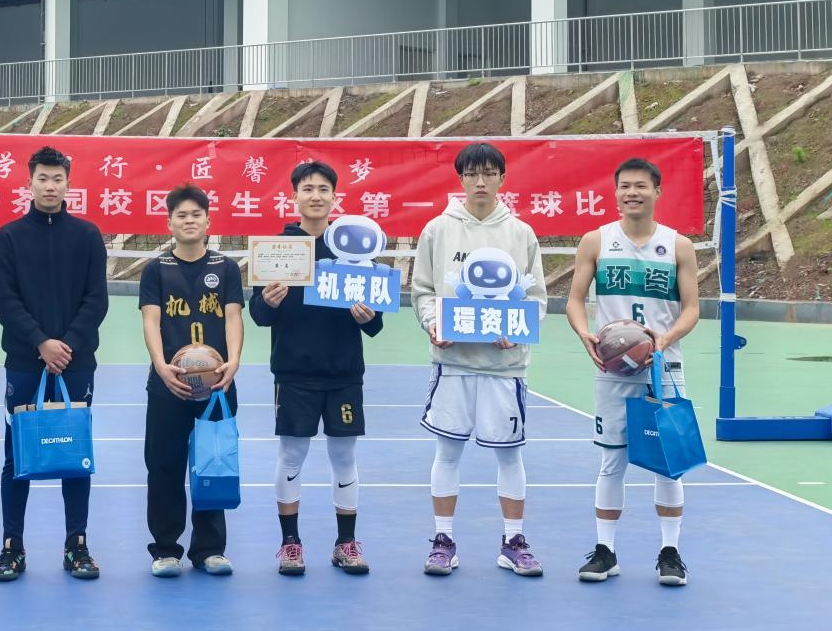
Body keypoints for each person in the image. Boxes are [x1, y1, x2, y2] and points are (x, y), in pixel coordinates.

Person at [410, 142, 548, 578]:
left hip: (505, 368)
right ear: (461, 178)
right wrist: (434, 323)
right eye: (472, 174)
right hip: (453, 362)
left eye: (489, 173)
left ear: (503, 178)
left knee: (509, 455)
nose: (481, 182)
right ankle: (443, 540)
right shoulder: (438, 229)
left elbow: (536, 298)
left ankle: (513, 541)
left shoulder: (521, 233)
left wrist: (517, 329)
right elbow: (424, 290)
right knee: (448, 451)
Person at [566, 157, 700, 586]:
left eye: (641, 186)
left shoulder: (678, 245)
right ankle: (605, 551)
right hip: (614, 371)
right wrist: (584, 333)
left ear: (657, 191)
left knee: (668, 464)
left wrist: (663, 340)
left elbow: (692, 309)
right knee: (612, 460)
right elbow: (574, 299)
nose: (632, 193)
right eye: (624, 186)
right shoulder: (596, 241)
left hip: (664, 367)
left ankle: (670, 553)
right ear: (616, 192)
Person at [250, 160, 382, 577]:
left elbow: (376, 321)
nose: (316, 196)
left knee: (344, 456)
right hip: (294, 373)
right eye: (307, 188)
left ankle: (346, 543)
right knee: (292, 455)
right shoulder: (277, 248)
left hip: (344, 372)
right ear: (294, 197)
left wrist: (367, 317)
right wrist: (266, 302)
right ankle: (290, 544)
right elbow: (258, 315)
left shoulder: (354, 248)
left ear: (334, 197)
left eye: (324, 189)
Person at [0, 146, 109, 581]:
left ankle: (77, 546)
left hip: (76, 365)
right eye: (42, 178)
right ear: (30, 182)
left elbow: (96, 299)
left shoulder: (88, 235)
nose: (50, 186)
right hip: (25, 362)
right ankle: (12, 548)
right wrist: (41, 343)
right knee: (16, 455)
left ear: (68, 184)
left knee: (75, 454)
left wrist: (66, 346)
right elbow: (5, 300)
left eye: (57, 179)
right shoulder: (9, 236)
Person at [140, 184, 244, 577]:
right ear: (169, 223)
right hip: (169, 385)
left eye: (195, 215)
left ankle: (210, 549)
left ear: (208, 222)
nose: (188, 221)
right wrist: (161, 366)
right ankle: (166, 549)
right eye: (181, 215)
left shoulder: (226, 267)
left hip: (216, 385)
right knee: (163, 466)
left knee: (213, 464)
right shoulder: (156, 269)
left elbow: (233, 317)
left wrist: (233, 361)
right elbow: (151, 320)